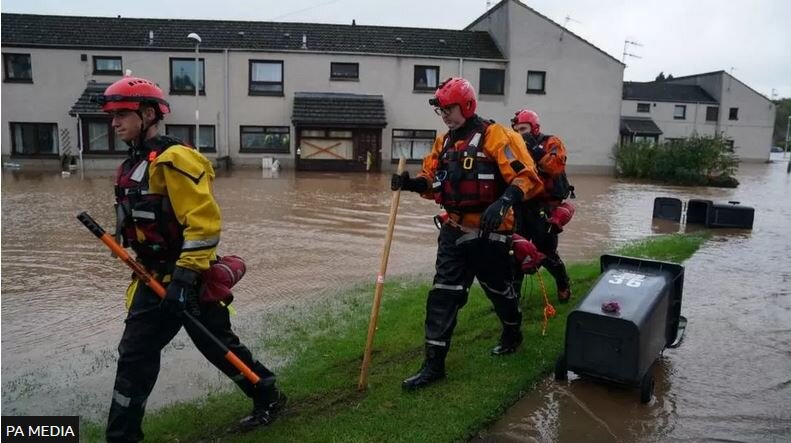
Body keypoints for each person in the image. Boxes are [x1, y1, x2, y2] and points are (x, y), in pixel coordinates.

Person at [98, 76, 285, 442]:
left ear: (148, 113)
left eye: (121, 114)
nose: (114, 122)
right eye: (111, 115)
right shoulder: (132, 165)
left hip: (190, 280)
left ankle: (268, 394)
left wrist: (183, 282)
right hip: (150, 281)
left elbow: (203, 224)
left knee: (217, 347)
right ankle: (122, 437)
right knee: (134, 355)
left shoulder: (175, 160)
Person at [391, 77, 543, 391]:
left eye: (450, 108)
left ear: (468, 105)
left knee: (499, 292)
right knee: (443, 295)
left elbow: (526, 176)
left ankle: (512, 333)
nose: (445, 115)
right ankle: (433, 366)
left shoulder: (496, 135)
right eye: (442, 110)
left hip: (491, 234)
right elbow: (432, 181)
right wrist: (410, 183)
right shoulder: (443, 143)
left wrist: (503, 202)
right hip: (453, 231)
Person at [511, 108, 575, 303]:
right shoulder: (514, 147)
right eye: (517, 129)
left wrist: (536, 150)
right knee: (515, 254)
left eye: (524, 128)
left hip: (544, 208)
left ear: (535, 127)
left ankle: (563, 284)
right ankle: (513, 298)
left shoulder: (552, 143)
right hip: (521, 206)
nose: (520, 133)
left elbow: (556, 167)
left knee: (547, 254)